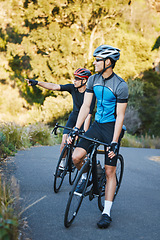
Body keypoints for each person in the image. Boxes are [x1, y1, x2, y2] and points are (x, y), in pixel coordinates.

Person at [68, 45, 128, 228]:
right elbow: (86, 107)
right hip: (96, 125)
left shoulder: (120, 85)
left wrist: (114, 142)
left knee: (111, 172)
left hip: (111, 128)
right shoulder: (93, 79)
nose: (94, 62)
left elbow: (120, 117)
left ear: (108, 62)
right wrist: (76, 128)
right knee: (76, 157)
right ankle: (92, 174)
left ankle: (106, 212)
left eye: (97, 59)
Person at [26, 68, 96, 175]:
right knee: (64, 141)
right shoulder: (72, 88)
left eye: (78, 79)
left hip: (85, 118)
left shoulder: (91, 93)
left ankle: (82, 168)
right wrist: (37, 83)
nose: (75, 81)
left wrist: (84, 133)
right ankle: (62, 164)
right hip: (74, 116)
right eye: (75, 78)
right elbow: (54, 86)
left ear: (85, 81)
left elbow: (89, 114)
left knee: (82, 143)